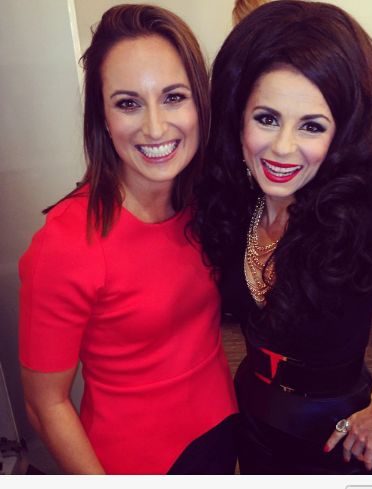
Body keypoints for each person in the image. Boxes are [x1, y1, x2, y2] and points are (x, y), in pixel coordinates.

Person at [194, 0, 372, 475]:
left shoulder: (365, 221)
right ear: (237, 116)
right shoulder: (235, 203)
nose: (282, 148)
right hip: (251, 419)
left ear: (342, 134)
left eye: (311, 126)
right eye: (266, 118)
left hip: (337, 440)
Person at [18, 4, 237, 475]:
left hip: (222, 428)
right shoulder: (65, 244)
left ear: (200, 103)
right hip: (134, 463)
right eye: (128, 103)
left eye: (174, 97)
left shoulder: (206, 200)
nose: (155, 127)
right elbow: (44, 404)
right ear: (102, 116)